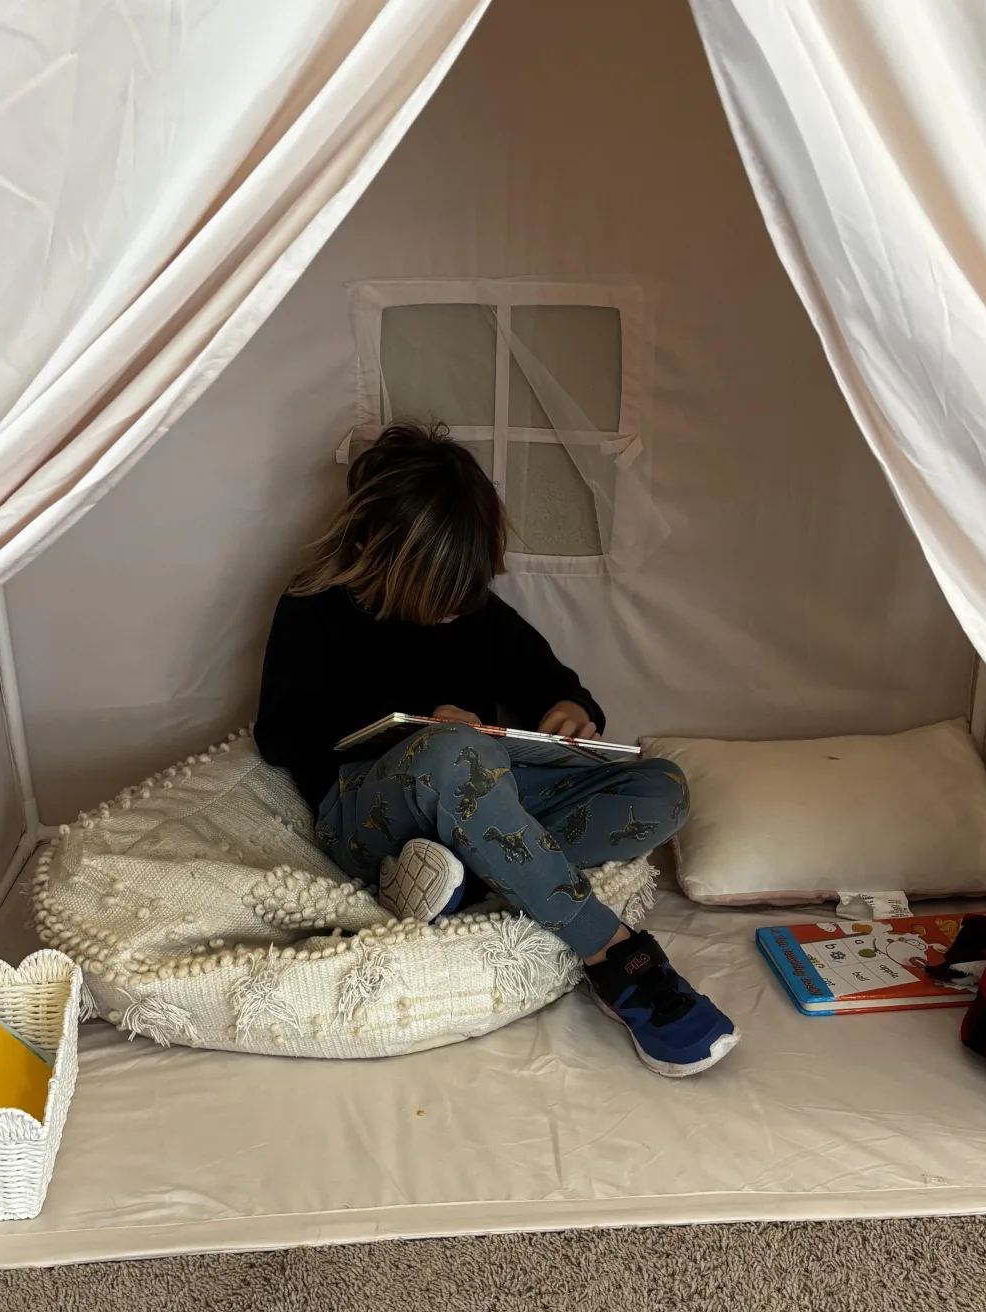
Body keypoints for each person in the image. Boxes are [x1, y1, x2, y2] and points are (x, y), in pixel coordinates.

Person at [255, 423, 738, 1075]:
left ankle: (464, 866)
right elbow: (280, 732)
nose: (457, 609)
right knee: (456, 751)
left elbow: (555, 686)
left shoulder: (478, 612)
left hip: (480, 793)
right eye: (440, 595)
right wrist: (415, 729)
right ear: (373, 551)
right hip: (367, 813)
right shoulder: (313, 607)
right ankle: (615, 957)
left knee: (663, 788)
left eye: (465, 591)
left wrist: (570, 713)